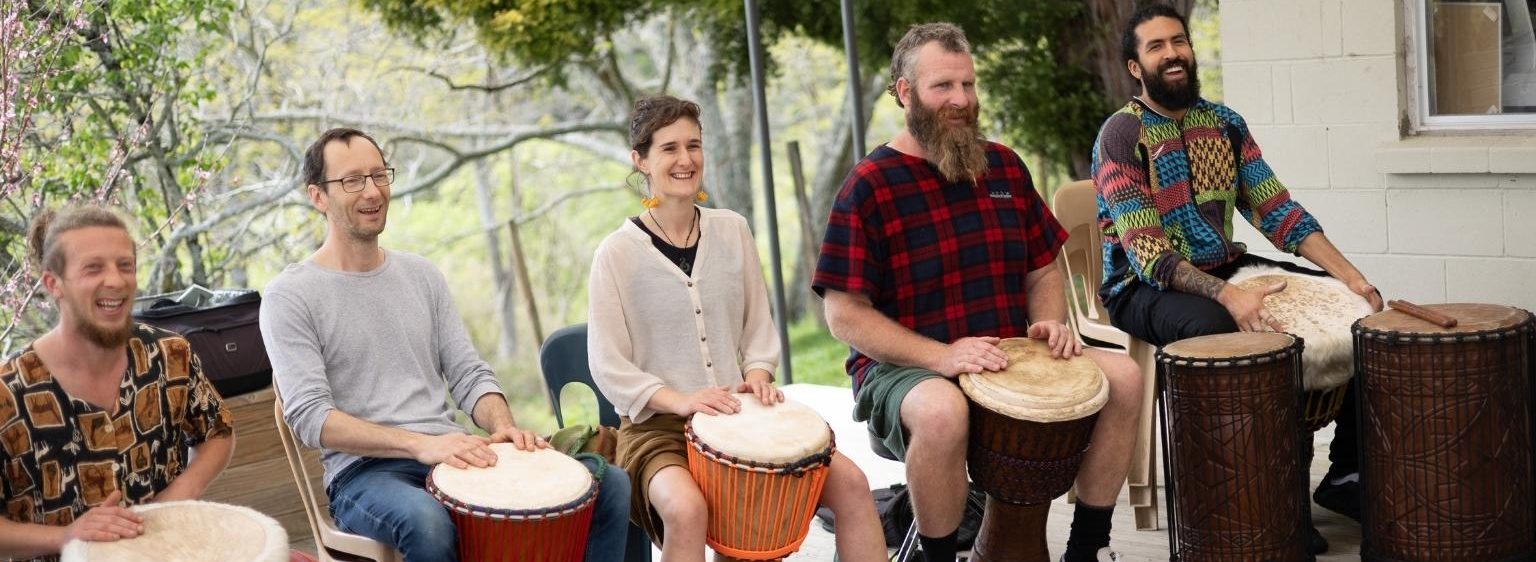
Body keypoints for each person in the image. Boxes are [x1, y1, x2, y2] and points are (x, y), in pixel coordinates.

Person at [814, 23, 1144, 562]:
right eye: (943, 86)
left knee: (1125, 378)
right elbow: (845, 316)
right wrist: (942, 356)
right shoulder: (869, 186)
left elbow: (1042, 270)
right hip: (905, 370)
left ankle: (1086, 550)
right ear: (904, 93)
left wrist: (1049, 324)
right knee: (944, 412)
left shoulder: (1005, 167)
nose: (961, 100)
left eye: (968, 86)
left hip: (1011, 354)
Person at [1090, 4, 1385, 553]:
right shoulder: (1121, 134)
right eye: (1156, 47)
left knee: (1358, 314)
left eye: (1179, 41)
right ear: (1135, 67)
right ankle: (1263, 501)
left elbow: (1277, 210)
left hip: (1226, 264)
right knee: (1231, 330)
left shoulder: (1223, 123)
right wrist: (1231, 296)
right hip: (1141, 285)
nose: (1173, 53)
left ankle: (1345, 476)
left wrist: (1352, 278)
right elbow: (1148, 252)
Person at [260, 128, 629, 562]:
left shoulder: (422, 276)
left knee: (607, 485)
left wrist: (502, 426)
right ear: (318, 196)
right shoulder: (290, 295)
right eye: (352, 180)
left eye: (379, 175)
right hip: (364, 474)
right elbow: (310, 418)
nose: (372, 191)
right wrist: (419, 444)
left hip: (453, 453)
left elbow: (468, 373)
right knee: (427, 520)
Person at [587, 95, 886, 562]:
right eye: (668, 149)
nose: (685, 160)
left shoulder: (733, 231)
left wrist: (760, 376)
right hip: (658, 429)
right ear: (640, 160)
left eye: (694, 145)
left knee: (851, 483)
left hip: (738, 414)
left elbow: (757, 329)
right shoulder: (616, 254)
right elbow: (608, 365)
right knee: (687, 510)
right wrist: (682, 400)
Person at [0, 206, 235, 562]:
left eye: (125, 265)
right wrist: (68, 536)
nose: (116, 280)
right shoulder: (8, 393)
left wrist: (179, 494)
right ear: (53, 284)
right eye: (93, 268)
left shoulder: (169, 354)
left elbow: (218, 433)